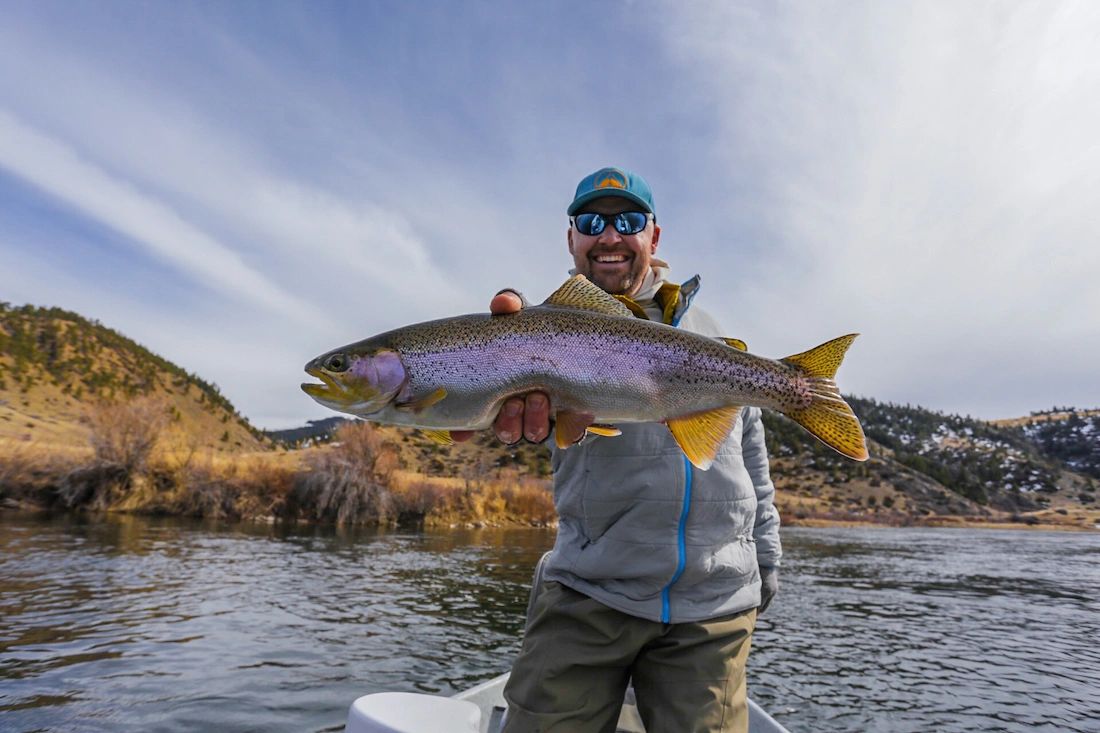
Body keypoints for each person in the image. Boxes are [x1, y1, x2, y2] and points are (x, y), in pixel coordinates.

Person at [465, 167, 781, 733]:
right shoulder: (536, 331)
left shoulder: (713, 338)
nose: (609, 237)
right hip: (587, 594)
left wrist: (767, 558)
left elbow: (752, 461)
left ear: (653, 238)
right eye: (591, 222)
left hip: (715, 607)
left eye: (627, 221)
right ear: (571, 239)